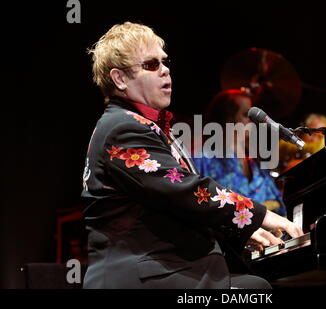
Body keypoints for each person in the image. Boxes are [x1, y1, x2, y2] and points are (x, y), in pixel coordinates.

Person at [81, 22, 302, 289]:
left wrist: (244, 230)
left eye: (164, 61)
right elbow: (185, 190)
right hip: (140, 277)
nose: (165, 69)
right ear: (120, 79)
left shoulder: (141, 125)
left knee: (259, 283)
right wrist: (258, 216)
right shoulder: (122, 129)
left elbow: (176, 207)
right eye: (151, 64)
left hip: (163, 269)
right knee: (256, 289)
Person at [193, 89, 287, 217]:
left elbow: (279, 205)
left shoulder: (256, 164)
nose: (252, 121)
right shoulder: (202, 160)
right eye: (246, 115)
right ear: (228, 117)